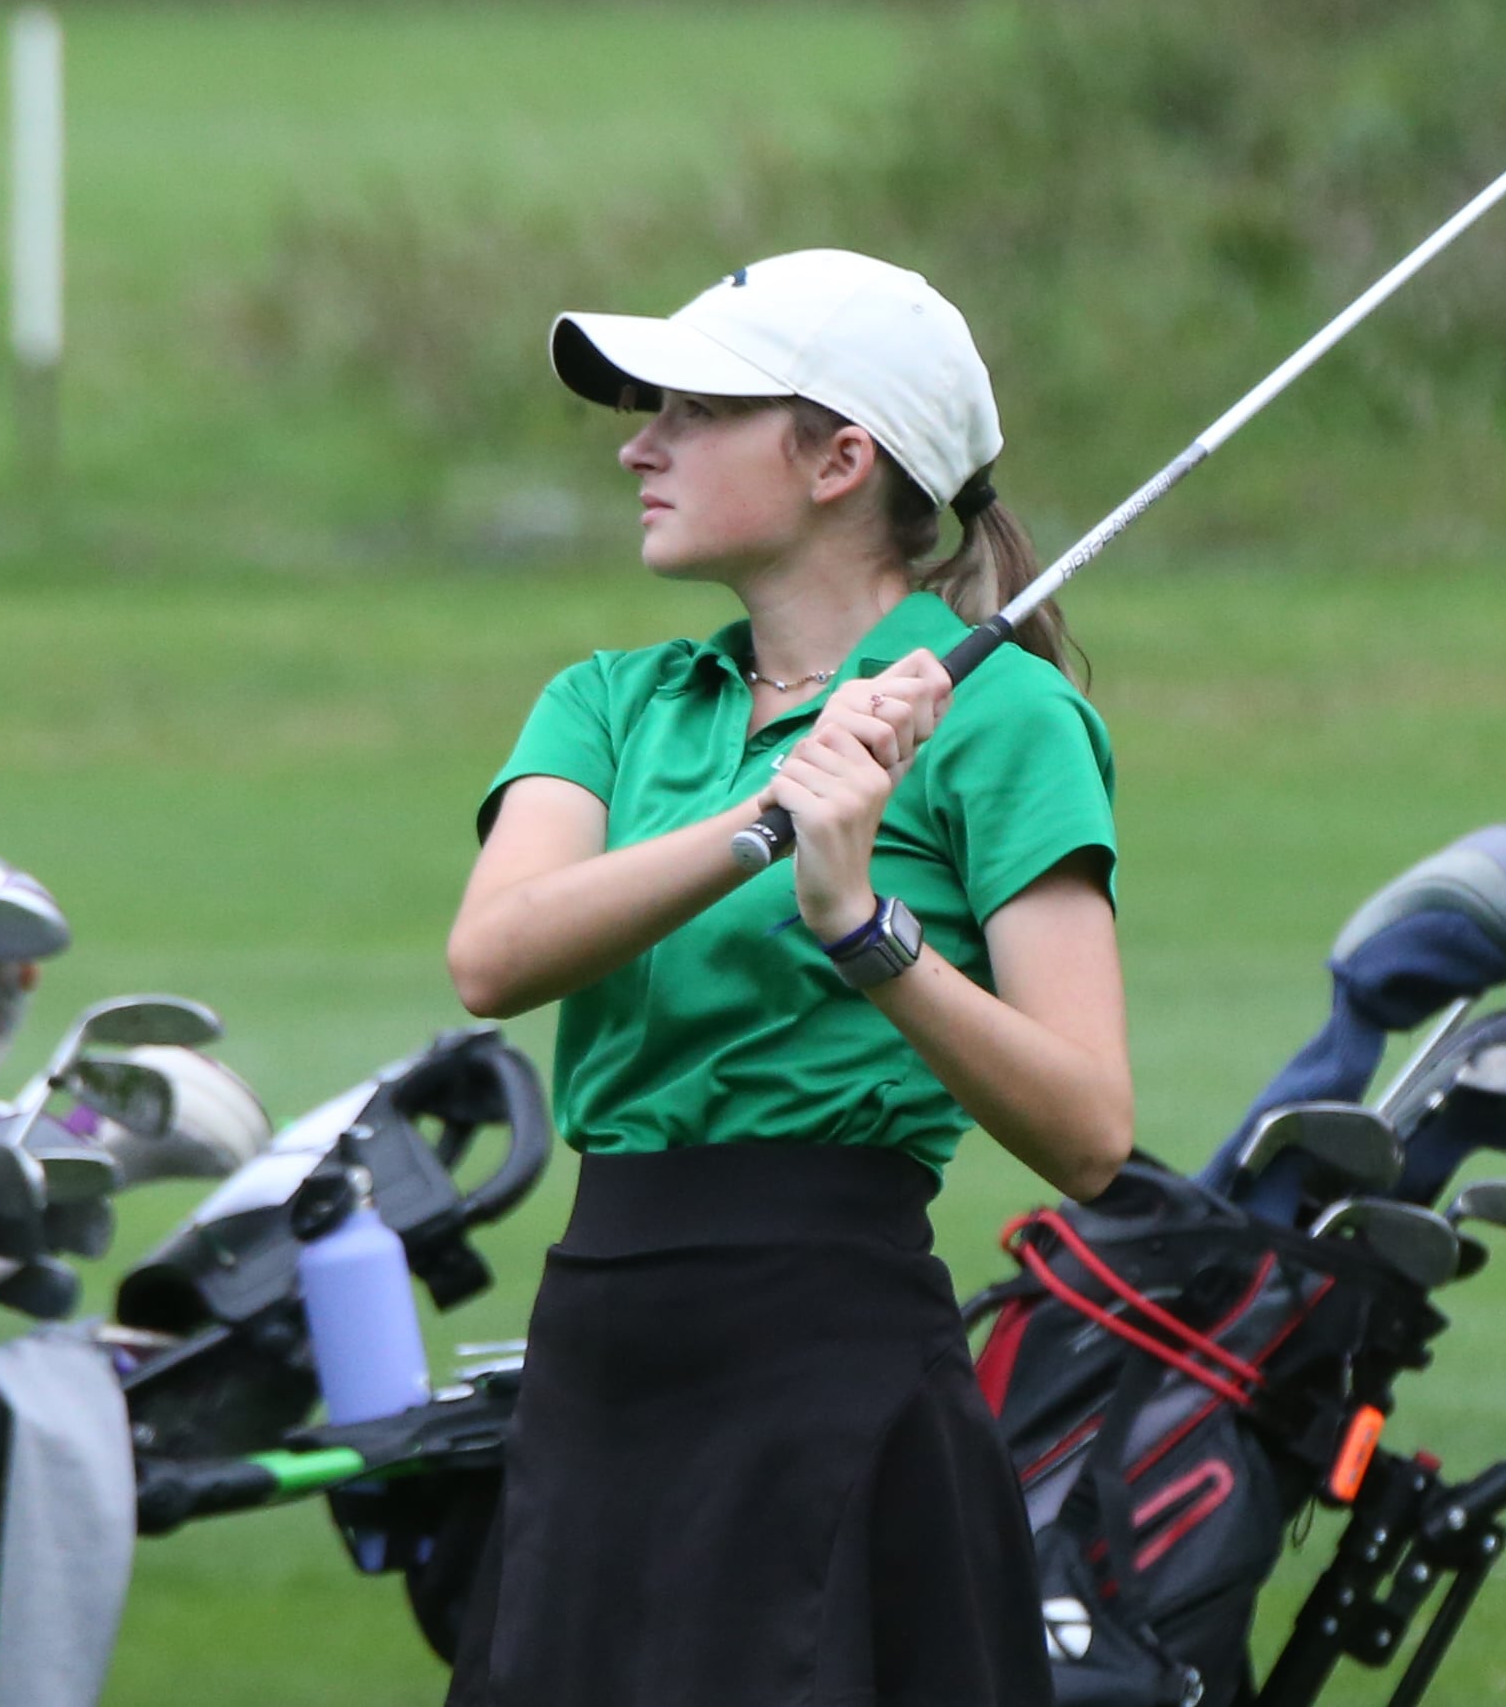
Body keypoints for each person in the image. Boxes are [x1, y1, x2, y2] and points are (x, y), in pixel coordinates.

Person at [442, 249, 1133, 1707]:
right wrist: (764, 827)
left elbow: (1086, 1127)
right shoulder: (610, 701)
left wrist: (863, 927)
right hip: (601, 1353)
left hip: (829, 1358)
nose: (640, 444)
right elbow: (492, 956)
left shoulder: (1002, 718)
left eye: (693, 411)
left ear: (837, 457)